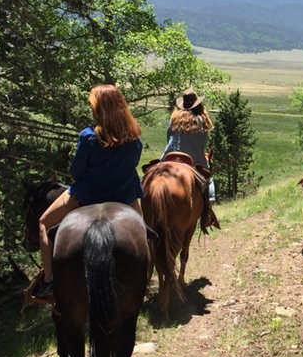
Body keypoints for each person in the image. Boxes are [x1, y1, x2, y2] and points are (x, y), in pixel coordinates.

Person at [33, 84, 145, 300]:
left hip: (87, 195)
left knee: (44, 224)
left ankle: (48, 282)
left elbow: (76, 172)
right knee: (143, 232)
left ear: (99, 109)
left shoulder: (88, 136)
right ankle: (143, 279)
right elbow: (133, 163)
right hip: (124, 197)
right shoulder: (134, 137)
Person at [163, 87, 217, 231]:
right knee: (209, 181)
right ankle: (207, 214)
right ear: (198, 105)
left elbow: (169, 140)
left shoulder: (174, 119)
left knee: (148, 176)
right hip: (193, 160)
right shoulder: (201, 121)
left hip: (169, 156)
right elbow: (202, 146)